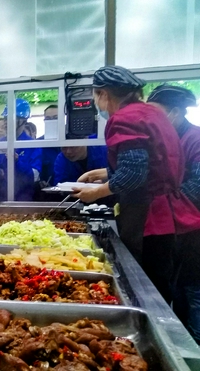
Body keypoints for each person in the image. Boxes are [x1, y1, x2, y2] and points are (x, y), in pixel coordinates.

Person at [73, 65, 200, 304]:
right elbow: (151, 163)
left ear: (103, 94)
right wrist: (107, 173)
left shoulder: (125, 119)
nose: (97, 103)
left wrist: (95, 193)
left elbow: (133, 175)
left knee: (146, 289)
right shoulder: (152, 114)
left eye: (95, 96)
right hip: (168, 216)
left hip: (148, 218)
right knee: (161, 286)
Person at [147, 84, 200, 342]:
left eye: (157, 113)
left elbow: (197, 186)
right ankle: (181, 343)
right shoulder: (168, 138)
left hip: (194, 232)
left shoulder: (195, 139)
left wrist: (165, 199)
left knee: (193, 293)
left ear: (175, 113)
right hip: (177, 229)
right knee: (178, 291)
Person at [0, 98, 41, 200]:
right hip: (1, 197)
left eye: (11, 118)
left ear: (23, 121)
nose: (6, 122)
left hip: (24, 198)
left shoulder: (33, 145)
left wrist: (17, 161)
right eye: (5, 118)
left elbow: (35, 176)